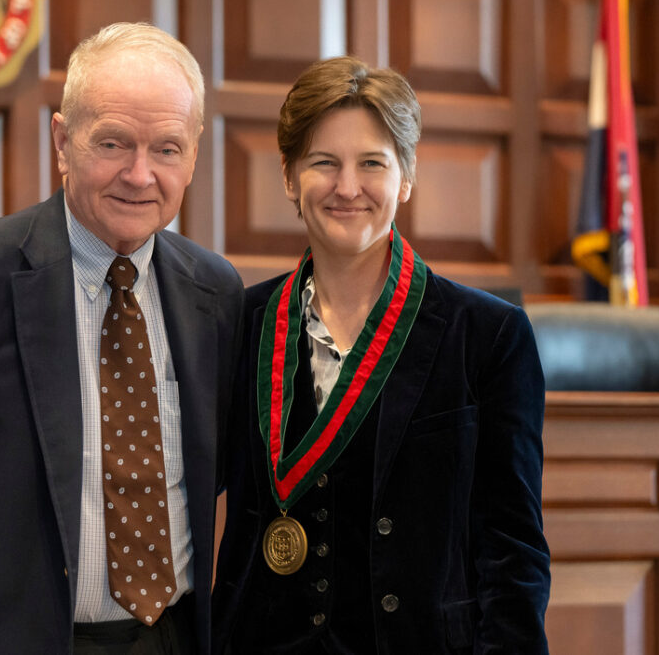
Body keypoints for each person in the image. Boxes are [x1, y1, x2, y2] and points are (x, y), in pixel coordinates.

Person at [0, 22, 244, 654]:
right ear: (62, 141)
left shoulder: (215, 292)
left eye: (167, 149)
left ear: (193, 155)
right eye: (113, 143)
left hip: (172, 638)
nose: (140, 175)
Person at [212, 57, 550, 653]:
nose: (348, 188)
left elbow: (512, 548)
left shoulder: (489, 336)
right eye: (323, 163)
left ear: (408, 177)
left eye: (372, 163)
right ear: (289, 177)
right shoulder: (239, 324)